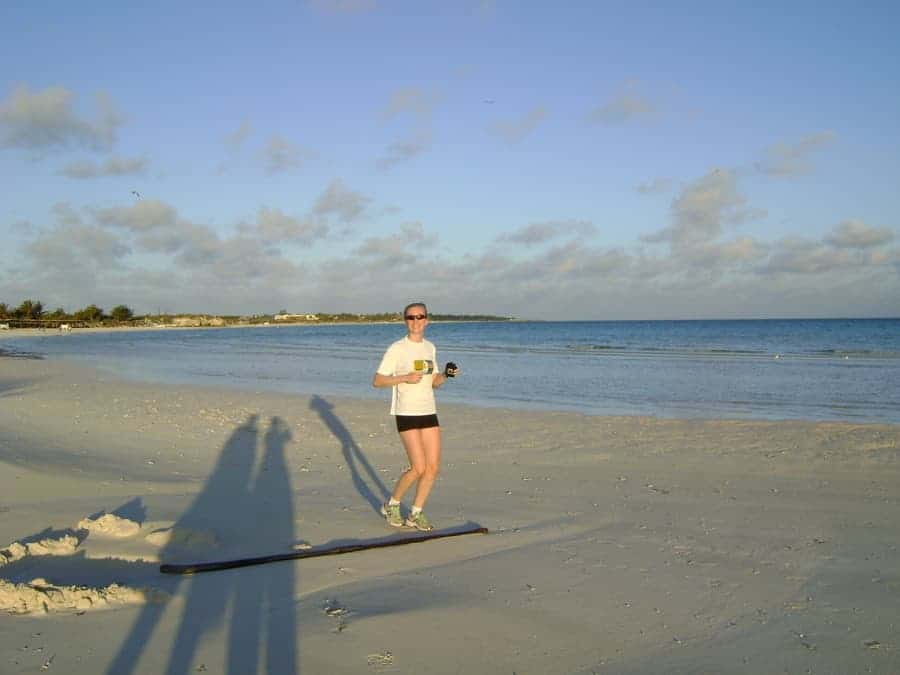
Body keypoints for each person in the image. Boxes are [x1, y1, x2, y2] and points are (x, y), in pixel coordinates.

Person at [373, 302, 458, 531]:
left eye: (420, 317)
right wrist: (404, 378)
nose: (416, 321)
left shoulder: (430, 348)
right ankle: (392, 505)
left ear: (427, 320)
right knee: (418, 468)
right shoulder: (397, 349)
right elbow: (378, 380)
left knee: (432, 468)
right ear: (405, 321)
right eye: (411, 317)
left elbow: (434, 382)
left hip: (428, 411)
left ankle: (415, 514)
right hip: (406, 412)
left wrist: (447, 375)